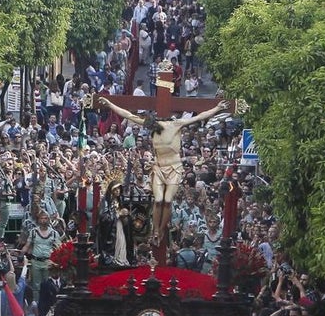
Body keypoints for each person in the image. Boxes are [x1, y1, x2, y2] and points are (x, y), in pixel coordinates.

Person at [98, 95, 231, 259]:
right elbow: (129, 115)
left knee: (167, 200)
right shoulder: (153, 126)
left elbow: (200, 116)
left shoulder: (176, 124)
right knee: (158, 199)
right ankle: (155, 230)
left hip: (174, 167)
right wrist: (111, 104)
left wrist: (217, 108)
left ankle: (160, 231)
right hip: (159, 167)